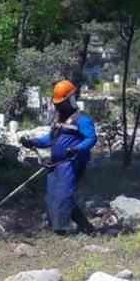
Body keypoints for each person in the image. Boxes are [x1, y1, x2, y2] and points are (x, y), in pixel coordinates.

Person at [20, 79, 98, 235]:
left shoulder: (82, 119)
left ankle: (61, 231)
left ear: (70, 99)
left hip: (72, 163)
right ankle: (86, 228)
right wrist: (33, 142)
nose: (58, 107)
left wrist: (76, 149)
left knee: (63, 196)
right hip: (55, 164)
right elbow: (50, 139)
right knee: (52, 197)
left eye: (61, 103)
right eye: (57, 104)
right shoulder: (58, 119)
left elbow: (91, 138)